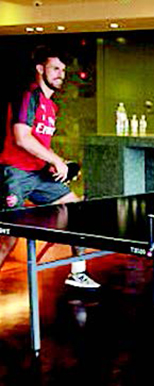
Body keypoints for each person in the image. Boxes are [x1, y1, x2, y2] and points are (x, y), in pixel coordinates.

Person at [0, 46, 99, 288]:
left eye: (63, 70)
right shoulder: (28, 96)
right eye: (55, 69)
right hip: (14, 173)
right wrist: (55, 161)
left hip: (39, 174)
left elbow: (40, 144)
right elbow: (22, 138)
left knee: (75, 211)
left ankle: (77, 273)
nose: (60, 75)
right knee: (7, 238)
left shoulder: (51, 107)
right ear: (40, 69)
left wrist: (56, 162)